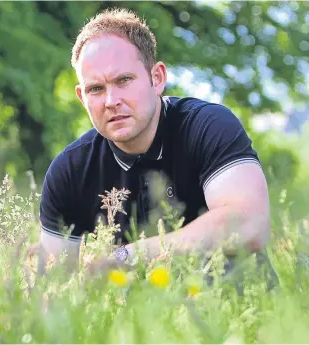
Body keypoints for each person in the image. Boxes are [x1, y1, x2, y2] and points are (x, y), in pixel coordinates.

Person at [38, 7, 271, 274]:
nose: (111, 101)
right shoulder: (70, 170)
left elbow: (251, 223)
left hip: (228, 304)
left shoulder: (209, 126)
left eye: (124, 80)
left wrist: (128, 256)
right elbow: (53, 287)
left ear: (157, 78)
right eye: (96, 89)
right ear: (82, 97)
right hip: (138, 309)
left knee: (224, 258)